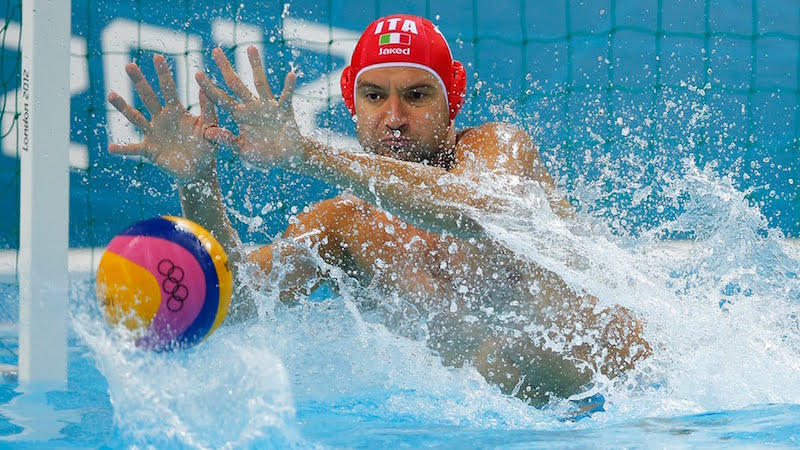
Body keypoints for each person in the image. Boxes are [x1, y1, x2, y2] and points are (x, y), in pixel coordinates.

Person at [108, 14, 649, 405]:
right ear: (351, 99)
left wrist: (307, 154)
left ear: (451, 98)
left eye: (416, 95)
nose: (393, 116)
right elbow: (242, 302)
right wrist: (200, 184)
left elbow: (471, 214)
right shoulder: (342, 226)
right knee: (492, 362)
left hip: (638, 398)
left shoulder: (497, 151)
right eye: (374, 96)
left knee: (496, 358)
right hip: (510, 417)